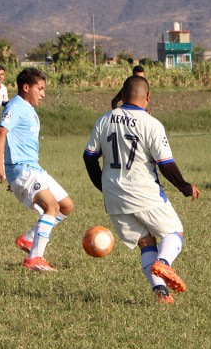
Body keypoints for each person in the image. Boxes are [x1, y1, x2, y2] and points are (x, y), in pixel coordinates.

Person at [84, 75, 201, 304]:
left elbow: (89, 157)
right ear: (147, 97)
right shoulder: (151, 123)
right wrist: (185, 187)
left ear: (122, 95)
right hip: (144, 193)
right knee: (174, 233)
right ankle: (164, 263)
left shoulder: (104, 120)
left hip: (114, 197)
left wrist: (103, 186)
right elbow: (165, 164)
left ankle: (161, 293)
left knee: (146, 243)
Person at [0, 67, 75, 272]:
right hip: (23, 169)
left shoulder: (27, 108)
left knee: (66, 206)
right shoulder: (16, 106)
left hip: (33, 168)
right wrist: (1, 165)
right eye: (40, 88)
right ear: (26, 87)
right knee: (52, 207)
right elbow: (1, 132)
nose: (43, 94)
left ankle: (29, 239)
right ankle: (35, 258)